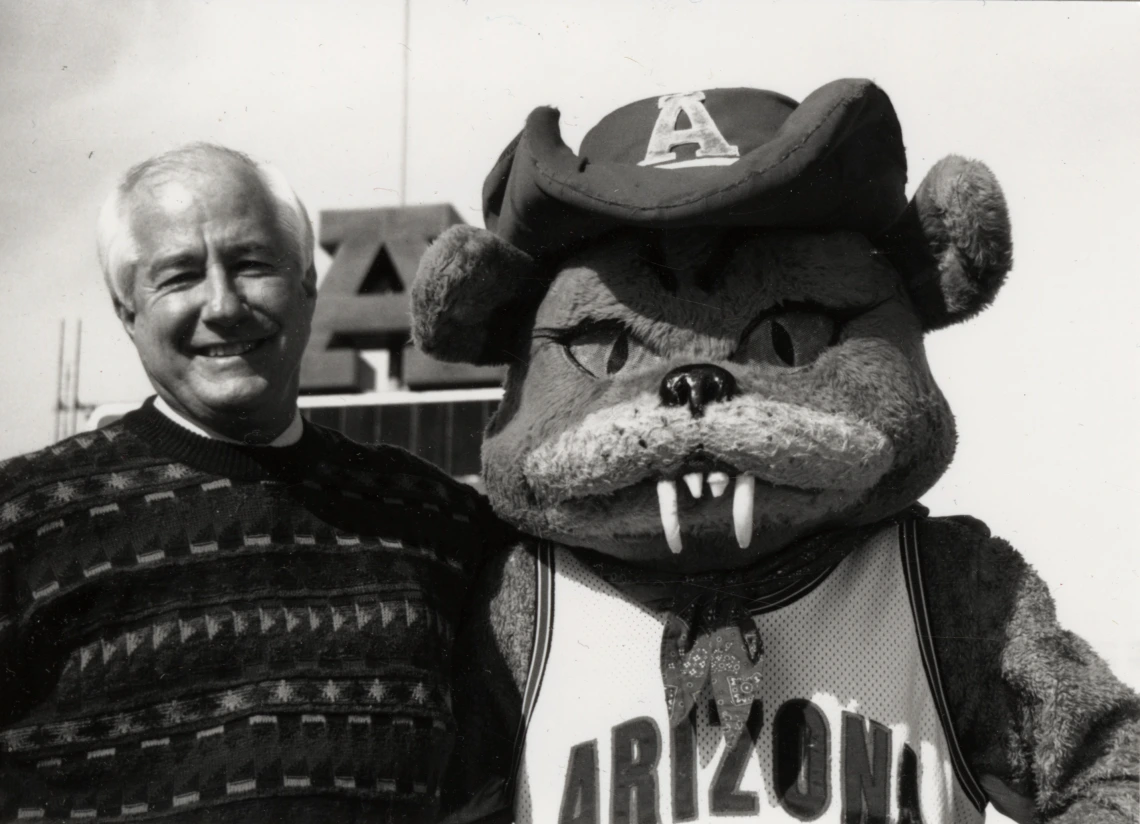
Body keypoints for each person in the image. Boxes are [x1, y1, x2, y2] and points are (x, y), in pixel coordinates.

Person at [0, 143, 502, 823]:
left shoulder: (440, 521)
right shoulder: (23, 520)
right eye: (179, 276)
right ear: (127, 311)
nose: (223, 304)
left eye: (251, 265)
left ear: (306, 285)